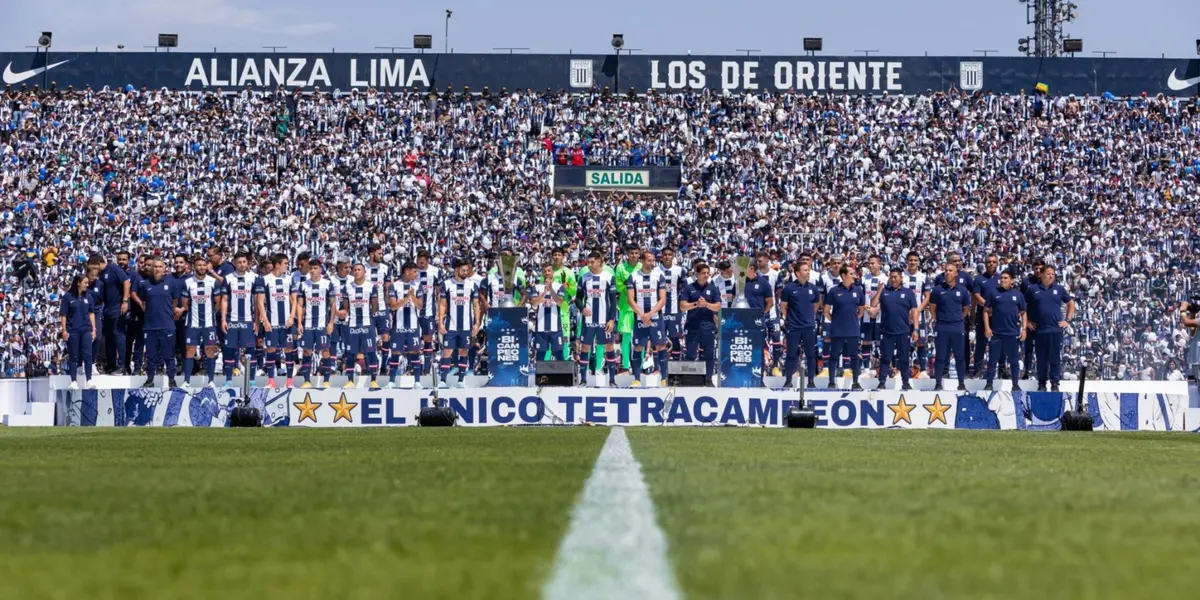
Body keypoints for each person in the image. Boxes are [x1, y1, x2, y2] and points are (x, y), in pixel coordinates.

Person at [132, 257, 183, 389]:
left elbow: (175, 302)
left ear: (164, 268)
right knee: (150, 355)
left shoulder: (171, 283)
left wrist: (167, 313)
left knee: (169, 355)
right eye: (155, 267)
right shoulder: (145, 284)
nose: (157, 269)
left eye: (160, 267)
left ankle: (171, 379)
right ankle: (150, 379)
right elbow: (143, 303)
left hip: (166, 325)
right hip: (150, 326)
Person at [1026, 265, 1075, 391]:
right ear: (1041, 275)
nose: (1051, 276)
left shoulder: (1059, 289)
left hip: (1055, 329)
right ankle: (1041, 383)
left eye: (1053, 274)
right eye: (1048, 273)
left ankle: (1055, 383)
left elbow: (1070, 304)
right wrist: (1027, 322)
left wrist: (1067, 320)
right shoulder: (1033, 289)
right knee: (1041, 358)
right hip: (1039, 330)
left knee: (1054, 357)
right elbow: (1022, 307)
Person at [575, 251, 620, 386]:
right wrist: (582, 308)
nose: (589, 264)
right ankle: (583, 379)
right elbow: (577, 297)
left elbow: (613, 301)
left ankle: (612, 380)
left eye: (592, 262)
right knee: (585, 348)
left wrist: (612, 319)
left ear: (599, 261)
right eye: (588, 262)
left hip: (604, 320)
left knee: (609, 347)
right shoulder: (583, 277)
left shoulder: (608, 277)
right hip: (588, 320)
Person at [438, 259, 482, 389]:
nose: (465, 272)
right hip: (450, 325)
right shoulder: (446, 284)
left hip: (466, 325)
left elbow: (475, 305)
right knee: (447, 351)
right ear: (456, 270)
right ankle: (443, 380)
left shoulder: (472, 285)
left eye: (467, 270)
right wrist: (440, 322)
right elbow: (442, 304)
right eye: (463, 270)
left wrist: (477, 323)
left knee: (464, 351)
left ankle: (461, 380)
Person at [873, 267, 919, 391]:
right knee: (885, 358)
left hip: (903, 331)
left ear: (901, 278)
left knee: (904, 358)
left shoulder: (909, 292)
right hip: (886, 331)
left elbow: (914, 311)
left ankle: (905, 383)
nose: (893, 279)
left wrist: (916, 329)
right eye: (891, 277)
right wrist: (879, 290)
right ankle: (882, 382)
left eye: (895, 277)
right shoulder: (884, 291)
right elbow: (873, 304)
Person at [627, 250, 668, 387]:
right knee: (638, 347)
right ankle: (637, 379)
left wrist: (649, 314)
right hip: (640, 318)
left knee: (661, 345)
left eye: (653, 260)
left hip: (655, 317)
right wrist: (642, 315)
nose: (652, 263)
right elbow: (630, 300)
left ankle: (664, 378)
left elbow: (662, 299)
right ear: (642, 261)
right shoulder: (633, 277)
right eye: (649, 260)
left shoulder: (659, 276)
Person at [928, 262, 972, 391]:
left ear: (956, 273)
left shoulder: (962, 290)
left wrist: (957, 319)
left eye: (950, 270)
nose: (947, 273)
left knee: (960, 356)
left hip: (957, 327)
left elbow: (966, 309)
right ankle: (938, 383)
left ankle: (961, 383)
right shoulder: (937, 290)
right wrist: (940, 319)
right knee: (940, 356)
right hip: (942, 327)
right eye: (945, 270)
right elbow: (932, 308)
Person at [180, 256, 223, 388]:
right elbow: (185, 303)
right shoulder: (187, 282)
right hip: (193, 323)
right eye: (199, 265)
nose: (202, 268)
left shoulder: (212, 282)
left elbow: (218, 302)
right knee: (190, 351)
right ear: (194, 267)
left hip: (209, 324)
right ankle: (187, 381)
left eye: (204, 265)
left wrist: (210, 314)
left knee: (210, 350)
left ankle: (211, 381)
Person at [294, 260, 338, 388]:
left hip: (322, 324)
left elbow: (332, 304)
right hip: (308, 325)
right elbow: (300, 304)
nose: (312, 270)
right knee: (307, 351)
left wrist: (331, 322)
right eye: (311, 268)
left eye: (315, 268)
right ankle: (307, 381)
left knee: (325, 351)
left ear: (320, 269)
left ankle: (326, 381)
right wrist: (299, 323)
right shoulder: (303, 285)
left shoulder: (327, 284)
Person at [779, 261, 822, 389]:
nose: (808, 272)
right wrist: (788, 319)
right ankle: (788, 380)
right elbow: (783, 306)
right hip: (793, 326)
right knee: (792, 354)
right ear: (797, 273)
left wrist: (809, 318)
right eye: (805, 270)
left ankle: (811, 380)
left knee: (810, 354)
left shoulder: (813, 288)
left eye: (808, 270)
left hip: (808, 327)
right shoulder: (789, 288)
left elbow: (815, 306)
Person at [220, 252, 260, 387]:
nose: (242, 264)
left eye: (244, 262)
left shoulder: (254, 278)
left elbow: (257, 301)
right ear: (235, 263)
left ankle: (251, 380)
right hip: (232, 319)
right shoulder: (228, 278)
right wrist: (223, 320)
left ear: (247, 263)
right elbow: (224, 300)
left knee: (250, 350)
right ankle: (229, 380)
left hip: (248, 320)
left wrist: (257, 321)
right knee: (230, 350)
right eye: (239, 262)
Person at [256, 254, 296, 388]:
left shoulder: (290, 279)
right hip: (272, 322)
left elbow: (294, 300)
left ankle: (289, 381)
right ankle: (271, 380)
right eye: (285, 263)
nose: (287, 266)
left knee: (289, 349)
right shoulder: (264, 279)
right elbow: (260, 302)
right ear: (277, 264)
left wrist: (292, 316)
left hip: (287, 322)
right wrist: (265, 320)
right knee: (271, 349)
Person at [983, 271, 1027, 391]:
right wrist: (987, 327)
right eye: (1001, 278)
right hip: (996, 333)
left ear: (1011, 280)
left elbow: (1023, 313)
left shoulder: (1018, 295)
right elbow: (986, 311)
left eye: (1005, 278)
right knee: (992, 360)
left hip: (1012, 333)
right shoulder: (993, 293)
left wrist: (1024, 329)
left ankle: (1015, 385)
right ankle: (989, 384)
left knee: (1014, 361)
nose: (1002, 280)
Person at [342, 263, 383, 389]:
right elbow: (345, 306)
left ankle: (373, 380)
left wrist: (370, 318)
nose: (356, 272)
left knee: (370, 352)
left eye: (359, 269)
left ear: (364, 272)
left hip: (366, 324)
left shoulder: (371, 286)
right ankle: (350, 381)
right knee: (350, 353)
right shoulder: (347, 287)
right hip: (352, 324)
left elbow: (374, 305)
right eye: (354, 270)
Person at [824, 265, 866, 389]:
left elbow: (861, 310)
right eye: (851, 273)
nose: (854, 276)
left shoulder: (858, 290)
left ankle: (855, 382)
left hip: (853, 329)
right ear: (843, 276)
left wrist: (853, 320)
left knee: (854, 355)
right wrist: (835, 321)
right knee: (834, 355)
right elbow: (826, 311)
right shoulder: (834, 290)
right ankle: (831, 382)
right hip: (837, 329)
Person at [680, 263, 722, 385]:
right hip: (692, 325)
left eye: (707, 273)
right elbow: (682, 306)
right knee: (691, 354)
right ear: (696, 274)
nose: (706, 275)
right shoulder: (688, 288)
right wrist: (696, 304)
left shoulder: (712, 288)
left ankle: (708, 379)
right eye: (703, 273)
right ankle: (690, 379)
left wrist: (706, 304)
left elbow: (718, 306)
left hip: (708, 326)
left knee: (708, 354)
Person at [386, 262, 423, 388]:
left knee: (414, 352)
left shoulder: (418, 285)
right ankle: (391, 381)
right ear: (407, 271)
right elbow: (393, 305)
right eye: (414, 271)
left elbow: (420, 306)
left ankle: (417, 382)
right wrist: (407, 298)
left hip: (413, 325)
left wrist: (412, 297)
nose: (416, 274)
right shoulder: (394, 286)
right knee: (396, 352)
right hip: (399, 325)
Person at [93, 253, 131, 374]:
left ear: (98, 263)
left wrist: (125, 301)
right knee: (109, 338)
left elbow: (126, 282)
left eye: (94, 267)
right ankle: (111, 365)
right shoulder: (101, 275)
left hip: (117, 308)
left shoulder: (114, 268)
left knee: (118, 335)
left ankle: (122, 365)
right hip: (107, 309)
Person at [59, 274, 97, 389]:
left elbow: (91, 313)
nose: (87, 285)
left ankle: (89, 380)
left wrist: (94, 329)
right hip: (73, 330)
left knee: (88, 356)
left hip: (85, 330)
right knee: (73, 356)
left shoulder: (88, 297)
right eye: (85, 282)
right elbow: (63, 315)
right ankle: (73, 381)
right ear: (78, 283)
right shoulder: (67, 297)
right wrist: (64, 330)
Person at [742, 260, 775, 385]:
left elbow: (770, 302)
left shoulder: (763, 283)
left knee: (758, 350)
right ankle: (743, 376)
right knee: (743, 349)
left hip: (757, 321)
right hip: (742, 320)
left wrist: (761, 313)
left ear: (751, 268)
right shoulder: (740, 282)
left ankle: (759, 378)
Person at [971, 254, 1002, 378]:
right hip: (983, 314)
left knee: (1000, 342)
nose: (991, 264)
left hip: (999, 315)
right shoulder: (979, 279)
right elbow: (976, 296)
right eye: (989, 261)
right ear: (985, 263)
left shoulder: (1002, 278)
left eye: (994, 262)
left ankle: (1001, 370)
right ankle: (977, 369)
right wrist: (989, 306)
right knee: (981, 342)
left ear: (997, 263)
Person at [529, 264, 565, 366]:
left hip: (556, 328)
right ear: (542, 273)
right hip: (541, 328)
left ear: (553, 272)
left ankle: (562, 376)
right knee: (541, 354)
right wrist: (545, 291)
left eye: (549, 271)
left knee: (559, 353)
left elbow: (560, 301)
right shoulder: (536, 287)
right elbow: (534, 302)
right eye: (545, 271)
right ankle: (540, 378)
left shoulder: (559, 286)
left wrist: (551, 289)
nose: (547, 273)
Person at [613, 244, 642, 372]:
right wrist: (630, 288)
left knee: (641, 337)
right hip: (625, 306)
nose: (634, 255)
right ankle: (625, 366)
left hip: (641, 307)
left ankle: (640, 366)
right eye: (631, 253)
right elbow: (618, 286)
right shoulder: (620, 267)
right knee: (626, 337)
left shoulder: (642, 267)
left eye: (636, 253)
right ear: (627, 254)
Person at [366, 243, 392, 378]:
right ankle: (372, 367)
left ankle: (383, 366)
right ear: (371, 254)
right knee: (369, 339)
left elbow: (388, 288)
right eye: (379, 253)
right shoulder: (362, 268)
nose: (381, 256)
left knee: (386, 337)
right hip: (367, 311)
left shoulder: (385, 268)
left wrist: (389, 306)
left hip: (382, 308)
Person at [415, 250, 442, 381]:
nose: (419, 264)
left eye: (422, 262)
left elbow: (438, 293)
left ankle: (426, 369)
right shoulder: (413, 271)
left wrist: (438, 312)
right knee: (413, 341)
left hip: (429, 312)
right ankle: (413, 368)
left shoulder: (435, 271)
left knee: (428, 340)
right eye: (418, 262)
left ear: (428, 261)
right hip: (414, 311)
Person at [546, 247, 577, 361]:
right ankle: (546, 365)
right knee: (548, 338)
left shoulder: (568, 272)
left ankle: (563, 363)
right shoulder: (547, 270)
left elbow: (573, 292)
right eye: (555, 255)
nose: (557, 257)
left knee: (564, 338)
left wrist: (566, 284)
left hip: (563, 309)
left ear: (563, 256)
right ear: (552, 256)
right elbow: (541, 287)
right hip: (549, 308)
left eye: (559, 254)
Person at [902, 252, 930, 376]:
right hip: (903, 315)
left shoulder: (923, 277)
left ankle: (923, 370)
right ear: (907, 261)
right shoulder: (901, 276)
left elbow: (927, 296)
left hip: (919, 314)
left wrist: (918, 310)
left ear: (918, 262)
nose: (913, 262)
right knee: (903, 342)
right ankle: (902, 369)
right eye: (910, 260)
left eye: (915, 260)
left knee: (921, 341)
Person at [119, 252, 146, 375]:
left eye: (145, 263)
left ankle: (138, 367)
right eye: (141, 262)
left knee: (140, 342)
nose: (143, 265)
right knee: (126, 341)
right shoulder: (133, 276)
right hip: (125, 313)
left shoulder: (136, 276)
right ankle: (124, 365)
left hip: (141, 314)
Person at [657, 248, 685, 363]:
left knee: (675, 338)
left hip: (675, 310)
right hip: (660, 311)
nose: (667, 257)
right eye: (665, 255)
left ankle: (676, 364)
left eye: (670, 254)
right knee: (659, 339)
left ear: (673, 256)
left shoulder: (679, 270)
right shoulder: (655, 271)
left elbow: (684, 289)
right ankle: (659, 365)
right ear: (661, 257)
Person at [860, 254, 886, 376]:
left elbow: (887, 298)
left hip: (881, 315)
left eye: (873, 263)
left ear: (879, 264)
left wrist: (877, 309)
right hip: (866, 314)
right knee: (866, 341)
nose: (870, 266)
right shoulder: (864, 279)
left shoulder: (886, 279)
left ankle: (882, 368)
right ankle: (866, 368)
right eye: (869, 263)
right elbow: (860, 297)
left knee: (881, 342)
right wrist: (868, 308)